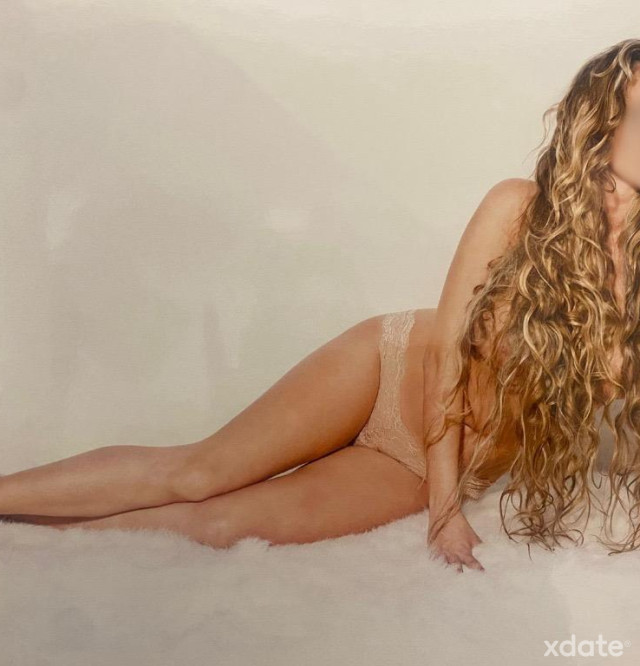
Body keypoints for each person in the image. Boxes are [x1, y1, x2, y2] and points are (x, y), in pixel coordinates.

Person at [2, 39, 639, 574]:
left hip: (425, 461)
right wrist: (444, 511)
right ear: (603, 121)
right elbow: (447, 354)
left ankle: (24, 541)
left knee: (219, 525)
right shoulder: (518, 206)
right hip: (387, 372)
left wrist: (444, 489)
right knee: (200, 474)